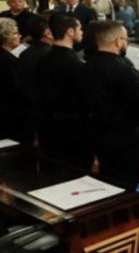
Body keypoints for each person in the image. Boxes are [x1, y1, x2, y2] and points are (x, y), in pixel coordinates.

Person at [86, 20, 139, 187]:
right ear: (118, 41)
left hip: (99, 132)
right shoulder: (124, 68)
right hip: (127, 134)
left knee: (109, 176)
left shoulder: (86, 66)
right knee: (133, 179)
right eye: (125, 39)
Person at [35, 13, 99, 170]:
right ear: (70, 32)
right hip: (75, 128)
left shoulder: (42, 60)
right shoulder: (76, 64)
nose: (82, 32)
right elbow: (87, 97)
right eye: (79, 29)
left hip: (48, 126)